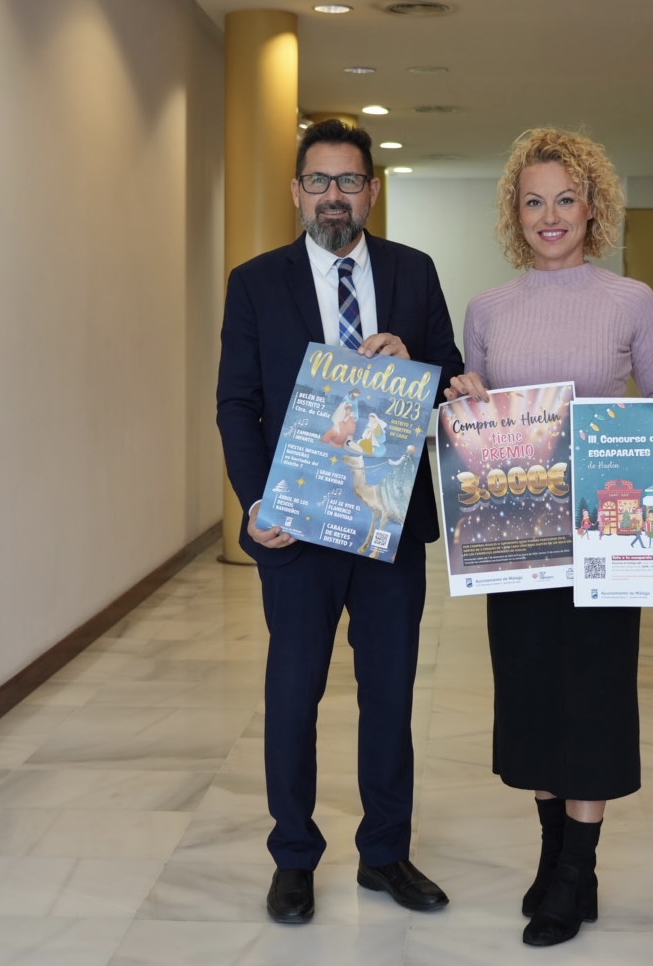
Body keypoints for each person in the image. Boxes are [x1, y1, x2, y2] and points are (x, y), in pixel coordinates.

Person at [444, 128, 653, 947]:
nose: (549, 215)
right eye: (533, 201)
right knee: (529, 694)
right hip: (516, 536)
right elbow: (477, 411)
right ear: (514, 215)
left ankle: (576, 873)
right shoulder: (487, 308)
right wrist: (464, 394)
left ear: (591, 208)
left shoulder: (628, 299)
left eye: (565, 199)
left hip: (604, 540)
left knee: (592, 697)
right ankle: (551, 853)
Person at [217, 119, 463, 925]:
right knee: (294, 695)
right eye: (318, 181)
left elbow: (451, 382)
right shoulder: (255, 282)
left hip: (389, 525)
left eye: (348, 181)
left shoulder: (414, 274)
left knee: (389, 696)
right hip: (297, 528)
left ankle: (384, 854)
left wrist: (417, 372)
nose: (333, 196)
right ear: (296, 191)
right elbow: (237, 403)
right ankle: (293, 856)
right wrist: (259, 505)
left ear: (371, 190)